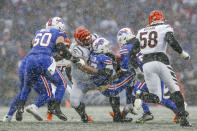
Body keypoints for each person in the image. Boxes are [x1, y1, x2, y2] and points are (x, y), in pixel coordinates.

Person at [6, 17, 84, 122]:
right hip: (44, 59)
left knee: (27, 86)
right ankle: (56, 108)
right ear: (60, 26)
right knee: (61, 84)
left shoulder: (39, 32)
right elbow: (61, 47)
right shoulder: (59, 32)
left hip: (30, 59)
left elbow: (32, 44)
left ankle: (20, 107)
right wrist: (75, 59)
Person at [135, 10, 191, 127]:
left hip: (147, 64)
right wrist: (182, 53)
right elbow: (172, 41)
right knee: (175, 90)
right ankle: (183, 119)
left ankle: (141, 95)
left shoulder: (141, 32)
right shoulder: (164, 27)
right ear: (162, 19)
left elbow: (132, 53)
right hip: (161, 61)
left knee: (156, 98)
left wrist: (137, 70)